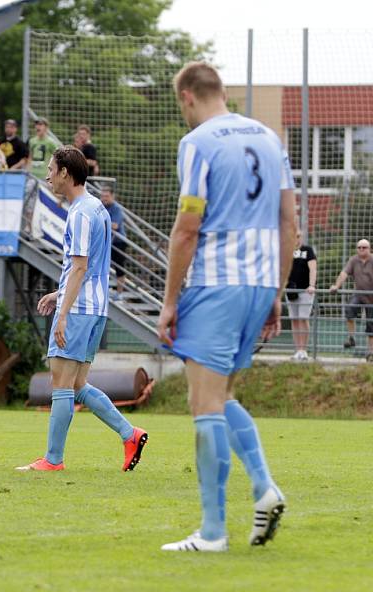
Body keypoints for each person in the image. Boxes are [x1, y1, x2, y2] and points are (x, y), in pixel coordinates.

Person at [156, 62, 296, 552]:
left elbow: (187, 227)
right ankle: (264, 487)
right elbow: (289, 225)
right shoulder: (270, 138)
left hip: (216, 283)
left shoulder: (198, 143)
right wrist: (276, 293)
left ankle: (213, 531)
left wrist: (170, 302)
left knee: (203, 405)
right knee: (221, 395)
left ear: (189, 96)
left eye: (181, 105)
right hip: (259, 285)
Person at [16, 147, 147, 473]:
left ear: (65, 173)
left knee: (61, 382)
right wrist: (59, 294)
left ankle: (53, 459)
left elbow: (79, 267)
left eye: (50, 168)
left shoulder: (80, 213)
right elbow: (87, 270)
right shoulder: (97, 209)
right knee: (76, 385)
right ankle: (130, 434)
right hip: (95, 308)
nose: (46, 175)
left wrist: (62, 312)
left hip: (79, 311)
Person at [330, 238, 373, 360]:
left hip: (372, 297)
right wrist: (336, 286)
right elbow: (344, 273)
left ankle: (371, 353)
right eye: (359, 247)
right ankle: (351, 337)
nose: (361, 249)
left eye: (364, 247)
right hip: (358, 294)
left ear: (369, 249)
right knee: (349, 309)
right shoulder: (353, 260)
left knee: (371, 325)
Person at [286, 230, 317, 361]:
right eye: (294, 236)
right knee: (294, 319)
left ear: (301, 237)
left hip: (305, 290)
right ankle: (297, 349)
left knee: (303, 318)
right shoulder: (287, 250)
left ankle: (304, 350)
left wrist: (311, 285)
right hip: (290, 290)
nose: (296, 238)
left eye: (298, 236)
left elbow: (313, 268)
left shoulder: (307, 250)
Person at [100, 183, 128, 300]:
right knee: (102, 265)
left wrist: (101, 223)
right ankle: (105, 290)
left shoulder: (116, 208)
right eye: (102, 196)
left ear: (112, 196)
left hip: (118, 242)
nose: (104, 198)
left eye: (107, 196)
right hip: (107, 242)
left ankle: (119, 293)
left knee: (119, 268)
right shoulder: (101, 207)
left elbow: (115, 225)